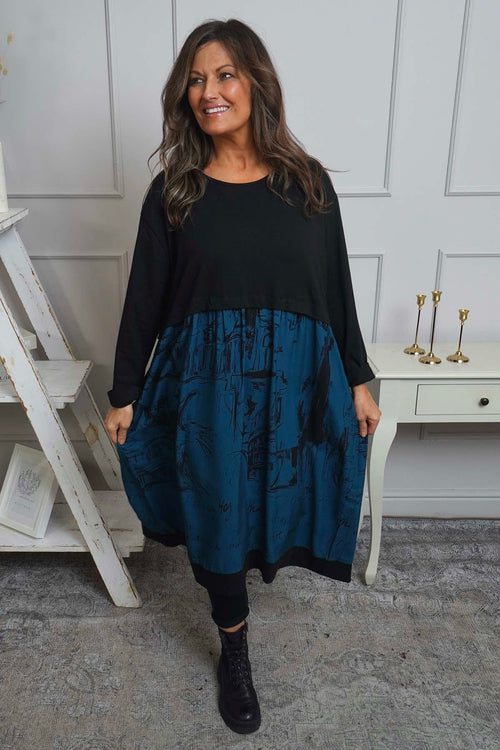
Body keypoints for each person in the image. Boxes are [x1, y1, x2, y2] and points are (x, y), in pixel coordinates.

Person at [104, 18, 381, 736]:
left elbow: (335, 289)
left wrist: (358, 377)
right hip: (207, 389)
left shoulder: (308, 185)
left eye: (224, 74)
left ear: (256, 82)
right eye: (196, 80)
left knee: (286, 498)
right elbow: (144, 298)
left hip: (292, 382)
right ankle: (234, 650)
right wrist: (125, 391)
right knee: (218, 515)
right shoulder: (175, 192)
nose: (209, 92)